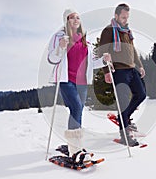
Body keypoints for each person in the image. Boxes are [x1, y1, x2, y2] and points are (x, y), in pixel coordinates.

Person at [47, 9, 111, 158]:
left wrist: (103, 60)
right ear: (66, 21)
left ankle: (74, 144)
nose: (76, 20)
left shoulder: (85, 41)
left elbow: (91, 63)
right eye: (72, 17)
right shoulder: (59, 37)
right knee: (76, 107)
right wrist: (60, 47)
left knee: (78, 110)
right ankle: (75, 150)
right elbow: (52, 59)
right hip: (66, 80)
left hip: (81, 83)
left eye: (78, 17)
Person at [98, 3, 146, 146]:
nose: (125, 20)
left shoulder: (127, 31)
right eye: (123, 17)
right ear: (116, 15)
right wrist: (106, 71)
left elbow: (133, 50)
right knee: (123, 102)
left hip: (131, 69)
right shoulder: (108, 31)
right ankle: (125, 135)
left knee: (141, 94)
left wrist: (140, 65)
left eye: (127, 17)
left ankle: (123, 118)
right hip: (118, 70)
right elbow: (102, 52)